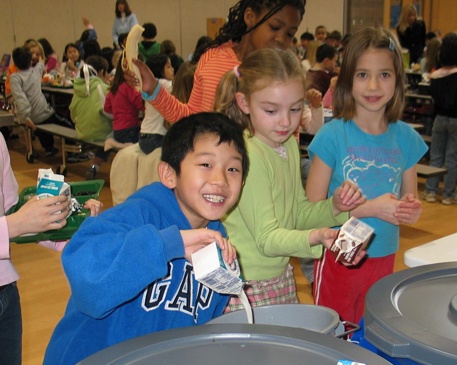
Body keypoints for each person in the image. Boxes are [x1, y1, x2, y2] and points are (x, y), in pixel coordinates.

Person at [35, 112, 249, 365]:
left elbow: (198, 330)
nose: (220, 180)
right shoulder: (136, 215)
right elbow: (88, 280)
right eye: (205, 164)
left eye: (233, 169)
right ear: (169, 174)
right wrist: (168, 244)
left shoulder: (217, 244)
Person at [213, 48, 364, 311]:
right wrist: (316, 236)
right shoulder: (248, 154)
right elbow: (267, 238)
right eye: (271, 111)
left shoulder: (286, 146)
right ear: (244, 102)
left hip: (277, 275)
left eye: (295, 109)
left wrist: (334, 208)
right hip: (248, 285)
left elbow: (296, 212)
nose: (286, 122)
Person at [306, 27, 426, 325]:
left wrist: (410, 210)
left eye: (384, 74)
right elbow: (311, 210)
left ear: (397, 79)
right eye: (362, 75)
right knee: (335, 328)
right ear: (347, 79)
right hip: (339, 252)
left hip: (384, 255)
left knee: (371, 329)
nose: (373, 85)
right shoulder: (333, 135)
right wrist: (370, 208)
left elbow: (410, 201)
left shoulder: (406, 138)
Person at [0, 133, 102, 365]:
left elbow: (18, 215)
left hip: (4, 297)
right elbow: (14, 222)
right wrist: (13, 225)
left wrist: (71, 223)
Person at [126, 0, 307, 125]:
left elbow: (288, 138)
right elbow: (191, 120)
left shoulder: (284, 72)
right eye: (274, 27)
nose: (282, 39)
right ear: (250, 17)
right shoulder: (213, 58)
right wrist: (153, 89)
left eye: (290, 34)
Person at [422, 32, 457, 205]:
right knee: (451, 158)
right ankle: (448, 194)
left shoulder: (435, 77)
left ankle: (430, 190)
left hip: (439, 119)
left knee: (436, 156)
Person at [9, 47, 71, 157]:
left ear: (15, 63)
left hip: (28, 117)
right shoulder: (35, 71)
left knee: (41, 122)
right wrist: (39, 58)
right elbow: (41, 63)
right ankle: (73, 151)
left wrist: (26, 117)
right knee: (65, 123)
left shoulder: (14, 78)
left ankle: (49, 147)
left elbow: (20, 98)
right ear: (30, 61)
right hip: (42, 113)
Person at [69, 56, 113, 180]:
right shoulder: (103, 88)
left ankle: (95, 167)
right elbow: (111, 114)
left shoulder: (77, 88)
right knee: (116, 133)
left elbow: (72, 113)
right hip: (100, 134)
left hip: (81, 132)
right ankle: (96, 166)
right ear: (101, 72)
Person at [105, 55, 144, 144]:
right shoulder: (128, 87)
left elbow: (107, 108)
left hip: (117, 129)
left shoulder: (114, 87)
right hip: (129, 129)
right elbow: (141, 104)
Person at [138, 54, 174, 154]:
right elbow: (181, 85)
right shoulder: (163, 84)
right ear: (159, 69)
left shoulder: (152, 84)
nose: (173, 69)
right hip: (156, 136)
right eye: (168, 66)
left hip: (144, 135)